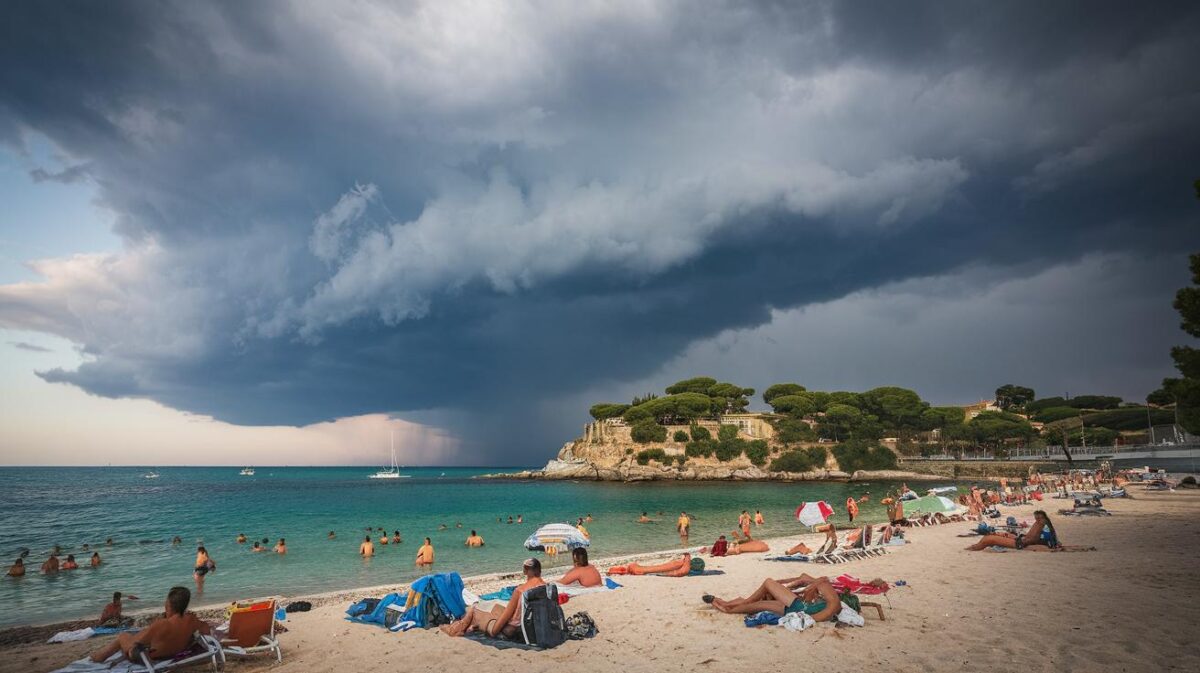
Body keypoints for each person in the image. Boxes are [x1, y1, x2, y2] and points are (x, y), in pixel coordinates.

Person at [89, 587, 211, 664]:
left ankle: (99, 657)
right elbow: (206, 630)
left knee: (123, 636)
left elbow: (134, 645)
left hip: (152, 658)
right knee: (143, 636)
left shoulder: (162, 624)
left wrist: (135, 638)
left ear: (169, 605)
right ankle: (100, 656)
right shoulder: (191, 620)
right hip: (175, 654)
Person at [441, 558, 545, 638]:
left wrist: (494, 630)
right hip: (532, 624)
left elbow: (505, 618)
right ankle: (468, 627)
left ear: (526, 570)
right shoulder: (546, 587)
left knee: (474, 608)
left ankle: (455, 629)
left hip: (513, 628)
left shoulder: (520, 590)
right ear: (539, 570)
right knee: (493, 607)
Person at [704, 574, 841, 621]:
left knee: (766, 585)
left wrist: (810, 591)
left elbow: (812, 618)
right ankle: (722, 603)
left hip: (794, 608)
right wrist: (782, 583)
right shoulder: (826, 593)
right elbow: (804, 578)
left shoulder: (832, 604)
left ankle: (721, 604)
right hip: (792, 606)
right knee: (754, 605)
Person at [966, 510, 1060, 552]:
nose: (1035, 519)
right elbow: (1034, 537)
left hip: (1021, 543)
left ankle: (973, 548)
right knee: (993, 536)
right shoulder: (1044, 524)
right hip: (1022, 541)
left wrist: (1024, 540)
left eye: (1036, 517)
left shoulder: (1040, 523)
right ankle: (974, 547)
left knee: (988, 539)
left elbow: (1033, 539)